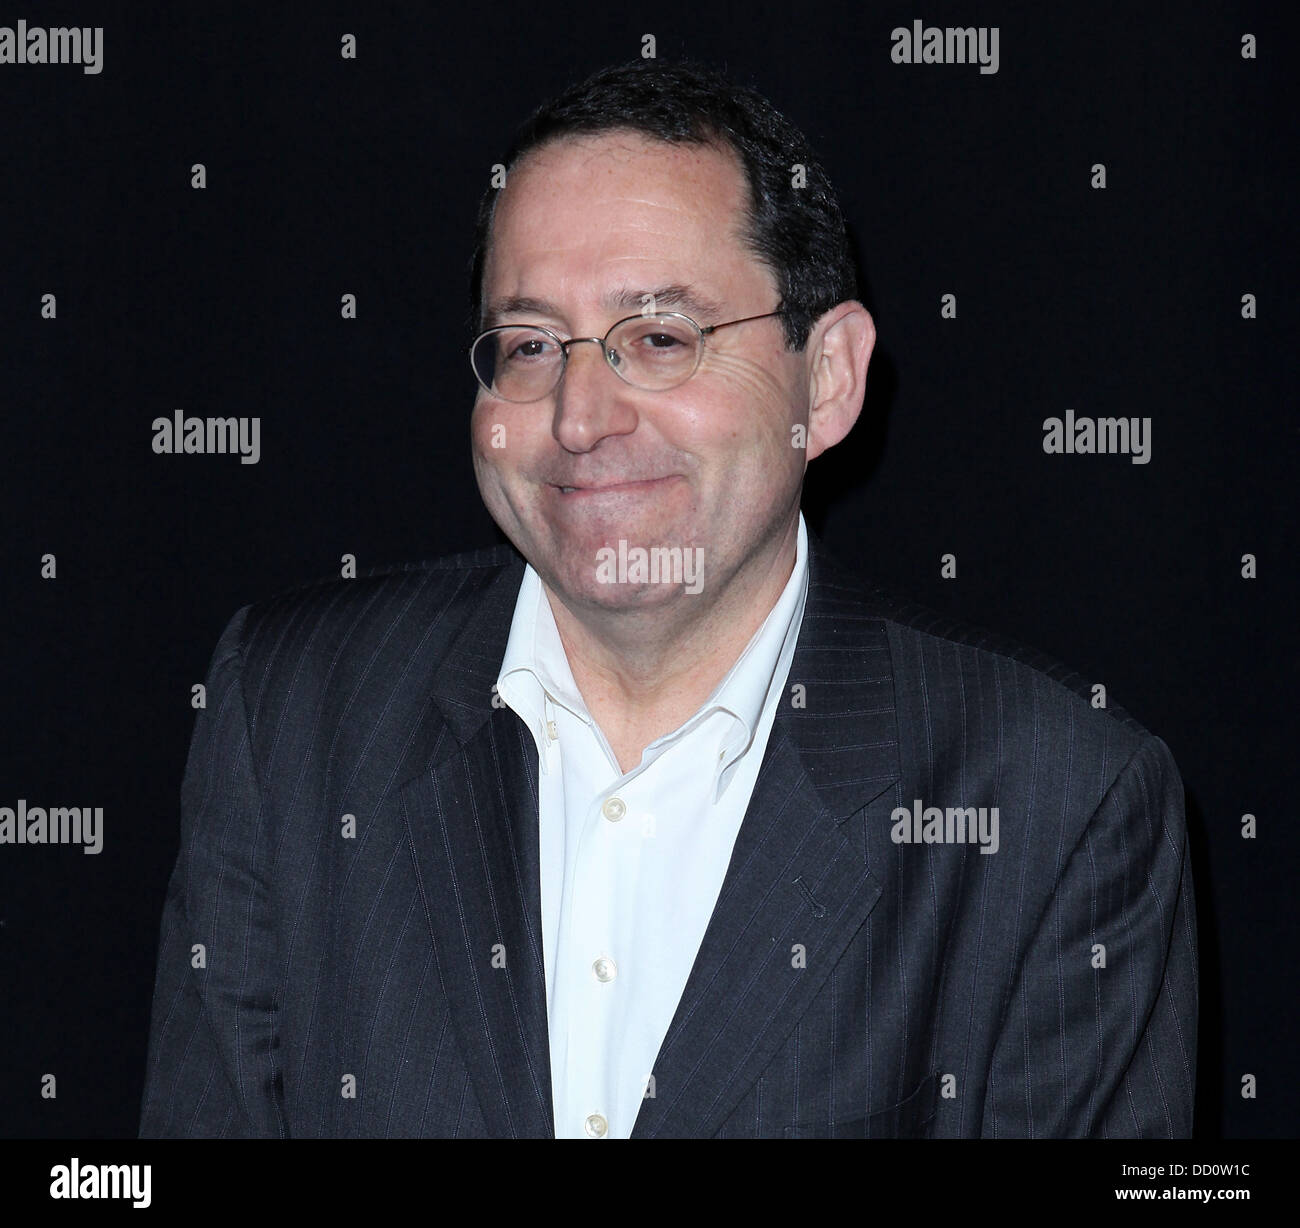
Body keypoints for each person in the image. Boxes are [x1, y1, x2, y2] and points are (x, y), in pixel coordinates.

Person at [139, 58, 1196, 1139]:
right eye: (530, 345)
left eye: (658, 339)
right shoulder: (292, 716)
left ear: (825, 379)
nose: (579, 415)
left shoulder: (1052, 803)